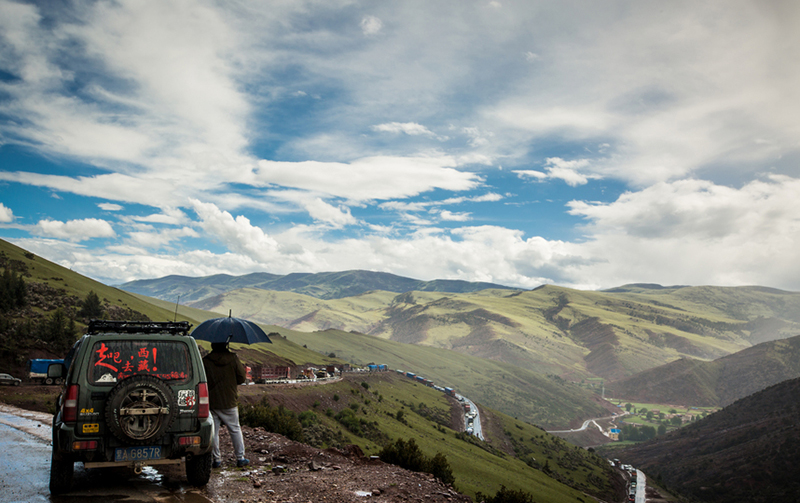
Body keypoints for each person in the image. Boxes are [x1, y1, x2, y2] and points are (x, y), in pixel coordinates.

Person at [203, 342, 249, 468]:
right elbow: (241, 378)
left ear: (213, 346)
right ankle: (240, 458)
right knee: (235, 429)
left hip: (212, 402)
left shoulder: (206, 361)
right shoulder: (233, 358)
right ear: (225, 345)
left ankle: (216, 459)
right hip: (229, 401)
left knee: (214, 432)